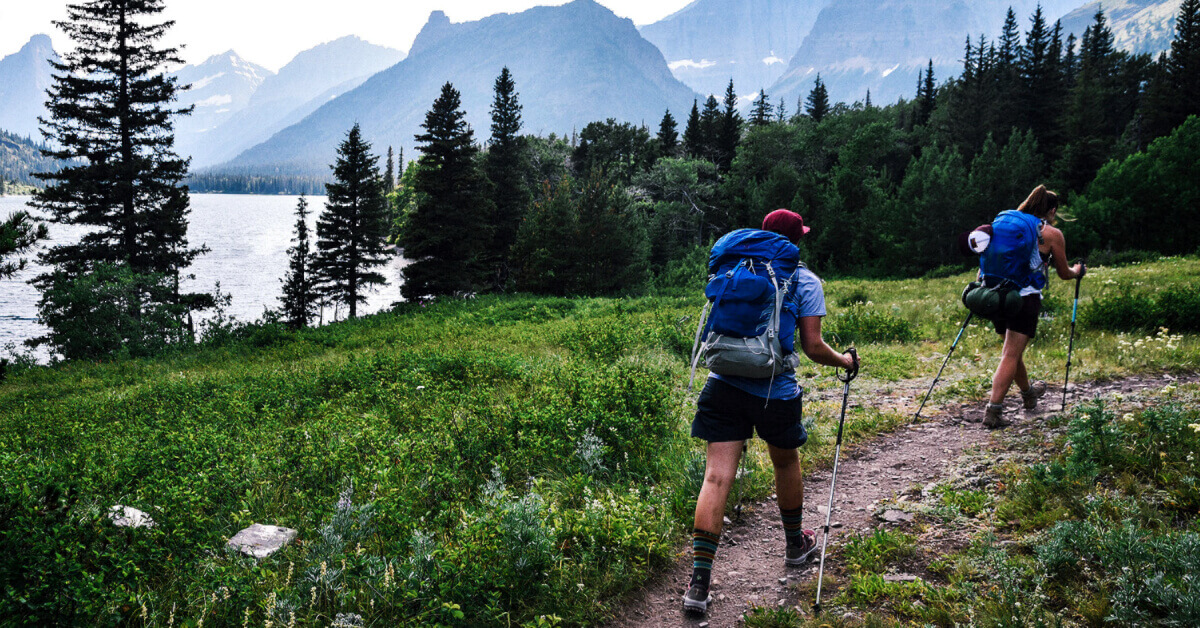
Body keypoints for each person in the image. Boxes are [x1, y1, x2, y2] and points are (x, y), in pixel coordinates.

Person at [683, 209, 859, 614]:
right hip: (775, 391)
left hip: (722, 382)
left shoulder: (734, 266)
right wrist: (846, 362)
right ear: (795, 241)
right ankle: (796, 545)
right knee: (785, 463)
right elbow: (813, 348)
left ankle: (698, 584)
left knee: (715, 476)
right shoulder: (805, 278)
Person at [983, 185, 1085, 428]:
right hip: (1024, 297)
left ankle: (1029, 394)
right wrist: (1078, 272)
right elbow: (1063, 273)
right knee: (1010, 354)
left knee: (1012, 353)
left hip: (996, 294)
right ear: (1051, 210)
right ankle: (993, 412)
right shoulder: (1051, 234)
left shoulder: (1004, 223)